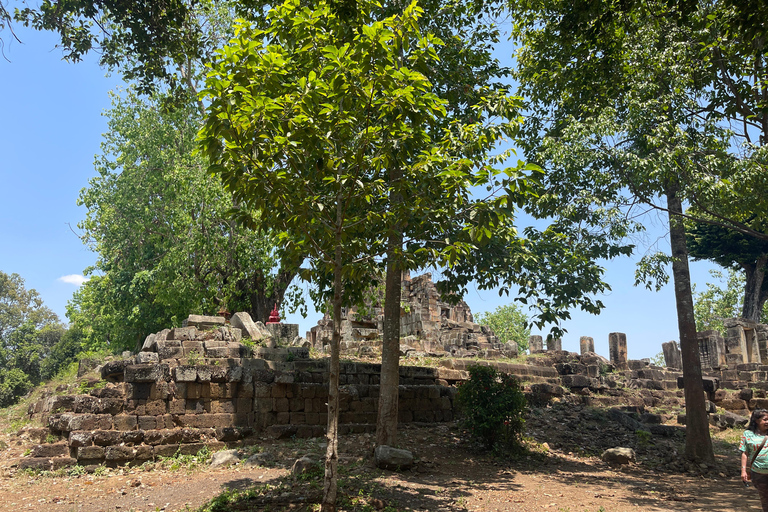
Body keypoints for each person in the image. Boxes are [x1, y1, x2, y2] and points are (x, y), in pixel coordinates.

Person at [741, 409, 768, 511]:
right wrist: (743, 471)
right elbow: (745, 453)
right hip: (758, 473)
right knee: (765, 500)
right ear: (756, 420)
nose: (767, 422)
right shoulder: (748, 434)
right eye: (765, 419)